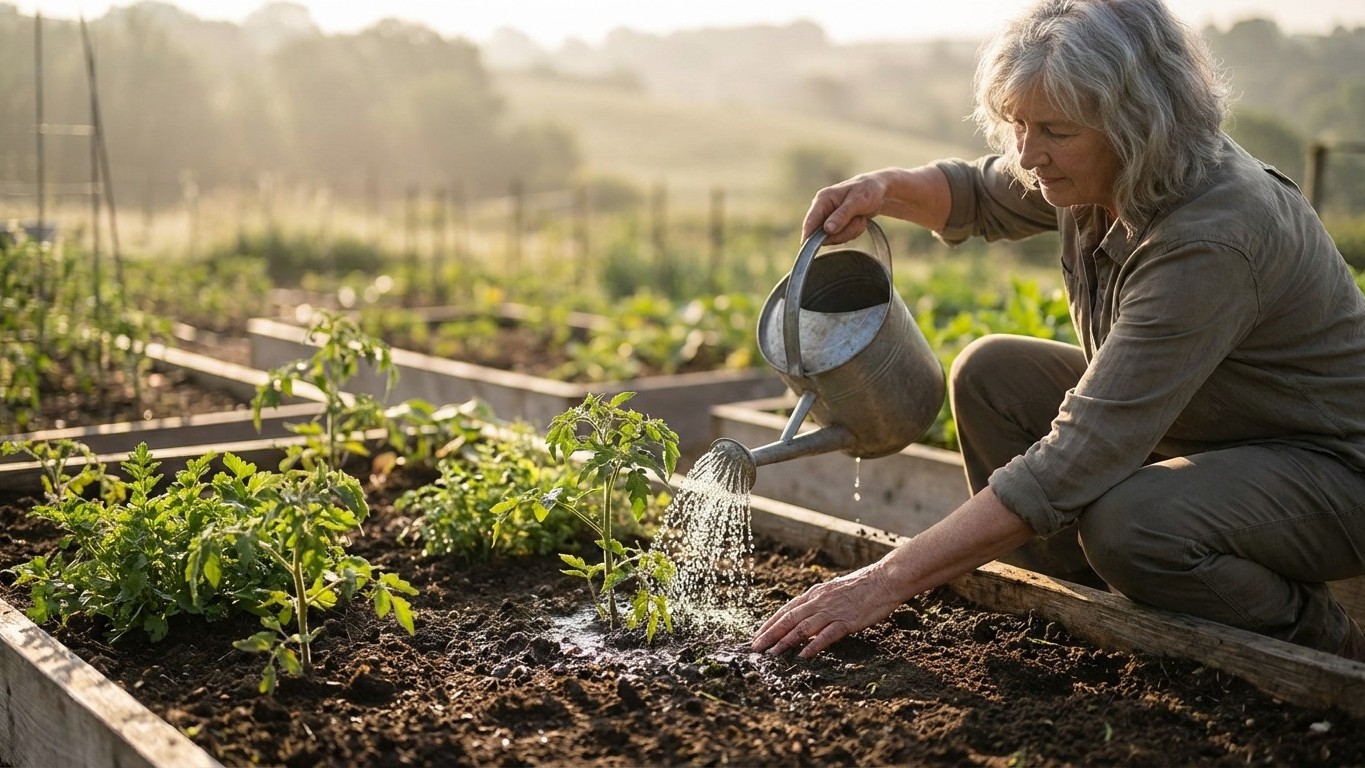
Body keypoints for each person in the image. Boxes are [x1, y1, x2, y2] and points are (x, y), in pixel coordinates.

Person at [750, 0, 1365, 662]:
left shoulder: (1212, 237)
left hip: (1327, 466)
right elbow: (978, 194)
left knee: (1133, 527)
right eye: (1016, 123)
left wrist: (881, 581)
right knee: (992, 377)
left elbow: (1081, 451)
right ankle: (1073, 619)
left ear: (1136, 124)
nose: (1026, 152)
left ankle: (1322, 647)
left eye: (1052, 131)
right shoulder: (1092, 170)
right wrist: (878, 191)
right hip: (1215, 428)